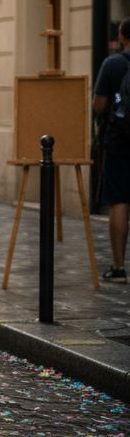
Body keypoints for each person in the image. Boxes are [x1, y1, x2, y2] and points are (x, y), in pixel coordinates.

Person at [93, 18, 130, 283]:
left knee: (119, 201)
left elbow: (98, 105)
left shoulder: (113, 64)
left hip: (120, 140)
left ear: (121, 36)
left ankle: (118, 266)